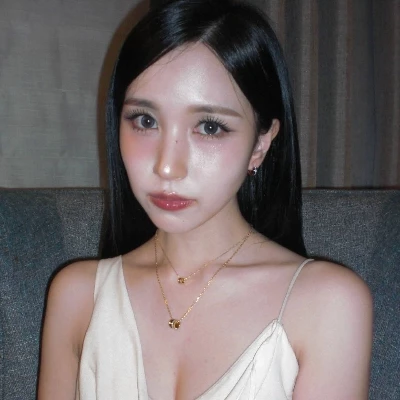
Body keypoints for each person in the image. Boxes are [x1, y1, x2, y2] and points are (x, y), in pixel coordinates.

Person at [38, 0, 373, 399]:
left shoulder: (326, 303)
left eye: (210, 127)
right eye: (146, 121)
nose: (167, 166)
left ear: (261, 143)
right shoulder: (76, 296)